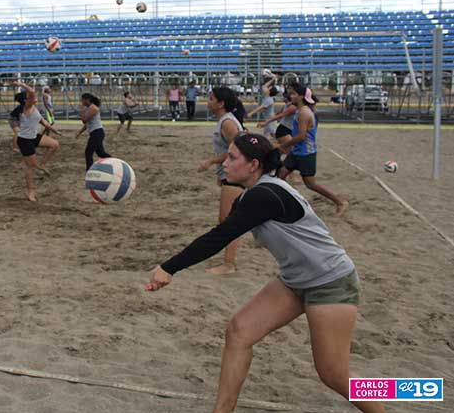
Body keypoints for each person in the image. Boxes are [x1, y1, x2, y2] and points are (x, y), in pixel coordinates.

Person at [146, 133, 383, 413]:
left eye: (232, 158)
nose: (225, 162)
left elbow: (218, 237)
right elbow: (226, 228)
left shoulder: (264, 195)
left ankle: (406, 393)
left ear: (253, 165)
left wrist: (169, 267)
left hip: (330, 282)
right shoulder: (253, 193)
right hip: (295, 280)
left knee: (333, 374)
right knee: (239, 331)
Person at [277, 83, 349, 216]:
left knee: (310, 184)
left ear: (301, 97)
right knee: (280, 176)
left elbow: (300, 136)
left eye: (293, 94)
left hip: (306, 153)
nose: (290, 96)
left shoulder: (304, 112)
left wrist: (283, 146)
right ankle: (285, 205)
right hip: (297, 152)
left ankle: (339, 202)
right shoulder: (300, 110)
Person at [197, 87, 245, 275]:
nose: (208, 102)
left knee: (228, 223)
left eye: (211, 98)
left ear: (221, 103)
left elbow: (239, 150)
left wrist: (211, 161)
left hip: (236, 175)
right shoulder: (225, 121)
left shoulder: (227, 123)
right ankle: (227, 261)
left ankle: (229, 264)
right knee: (226, 221)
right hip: (230, 175)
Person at [13, 81, 61, 202]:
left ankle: (43, 164)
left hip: (34, 137)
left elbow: (43, 122)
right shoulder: (27, 107)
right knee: (31, 167)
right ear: (26, 101)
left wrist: (54, 130)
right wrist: (21, 84)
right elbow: (32, 92)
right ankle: (31, 192)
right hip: (24, 140)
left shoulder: (34, 108)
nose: (34, 98)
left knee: (54, 144)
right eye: (29, 97)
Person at [76, 93, 112, 171]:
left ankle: (89, 170)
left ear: (87, 100)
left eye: (82, 100)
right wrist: (80, 132)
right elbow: (87, 124)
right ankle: (113, 161)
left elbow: (84, 120)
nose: (81, 102)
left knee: (88, 152)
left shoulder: (93, 108)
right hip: (96, 133)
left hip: (97, 133)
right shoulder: (89, 108)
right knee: (101, 153)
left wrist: (82, 110)